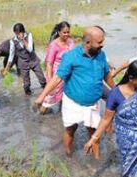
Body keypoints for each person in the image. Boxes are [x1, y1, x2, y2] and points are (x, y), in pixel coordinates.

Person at [35, 26, 115, 158]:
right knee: (71, 129)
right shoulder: (71, 56)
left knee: (94, 132)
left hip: (93, 103)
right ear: (88, 42)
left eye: (103, 41)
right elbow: (57, 78)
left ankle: (96, 159)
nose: (103, 44)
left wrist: (116, 90)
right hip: (73, 102)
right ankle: (68, 156)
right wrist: (42, 96)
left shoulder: (101, 55)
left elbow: (107, 76)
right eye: (99, 42)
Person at [38, 21, 74, 114]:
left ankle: (62, 113)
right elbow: (49, 64)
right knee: (49, 98)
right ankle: (40, 115)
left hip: (69, 75)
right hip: (57, 76)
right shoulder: (54, 45)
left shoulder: (70, 41)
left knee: (66, 95)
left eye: (68, 32)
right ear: (59, 32)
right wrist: (50, 81)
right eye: (64, 32)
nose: (67, 34)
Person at [2, 23, 46, 95]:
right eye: (16, 33)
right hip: (23, 63)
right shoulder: (12, 41)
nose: (18, 35)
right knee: (26, 84)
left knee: (42, 79)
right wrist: (6, 68)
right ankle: (28, 99)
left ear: (23, 31)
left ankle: (45, 92)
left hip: (33, 60)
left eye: (19, 33)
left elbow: (30, 49)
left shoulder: (29, 35)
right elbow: (11, 55)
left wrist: (23, 40)